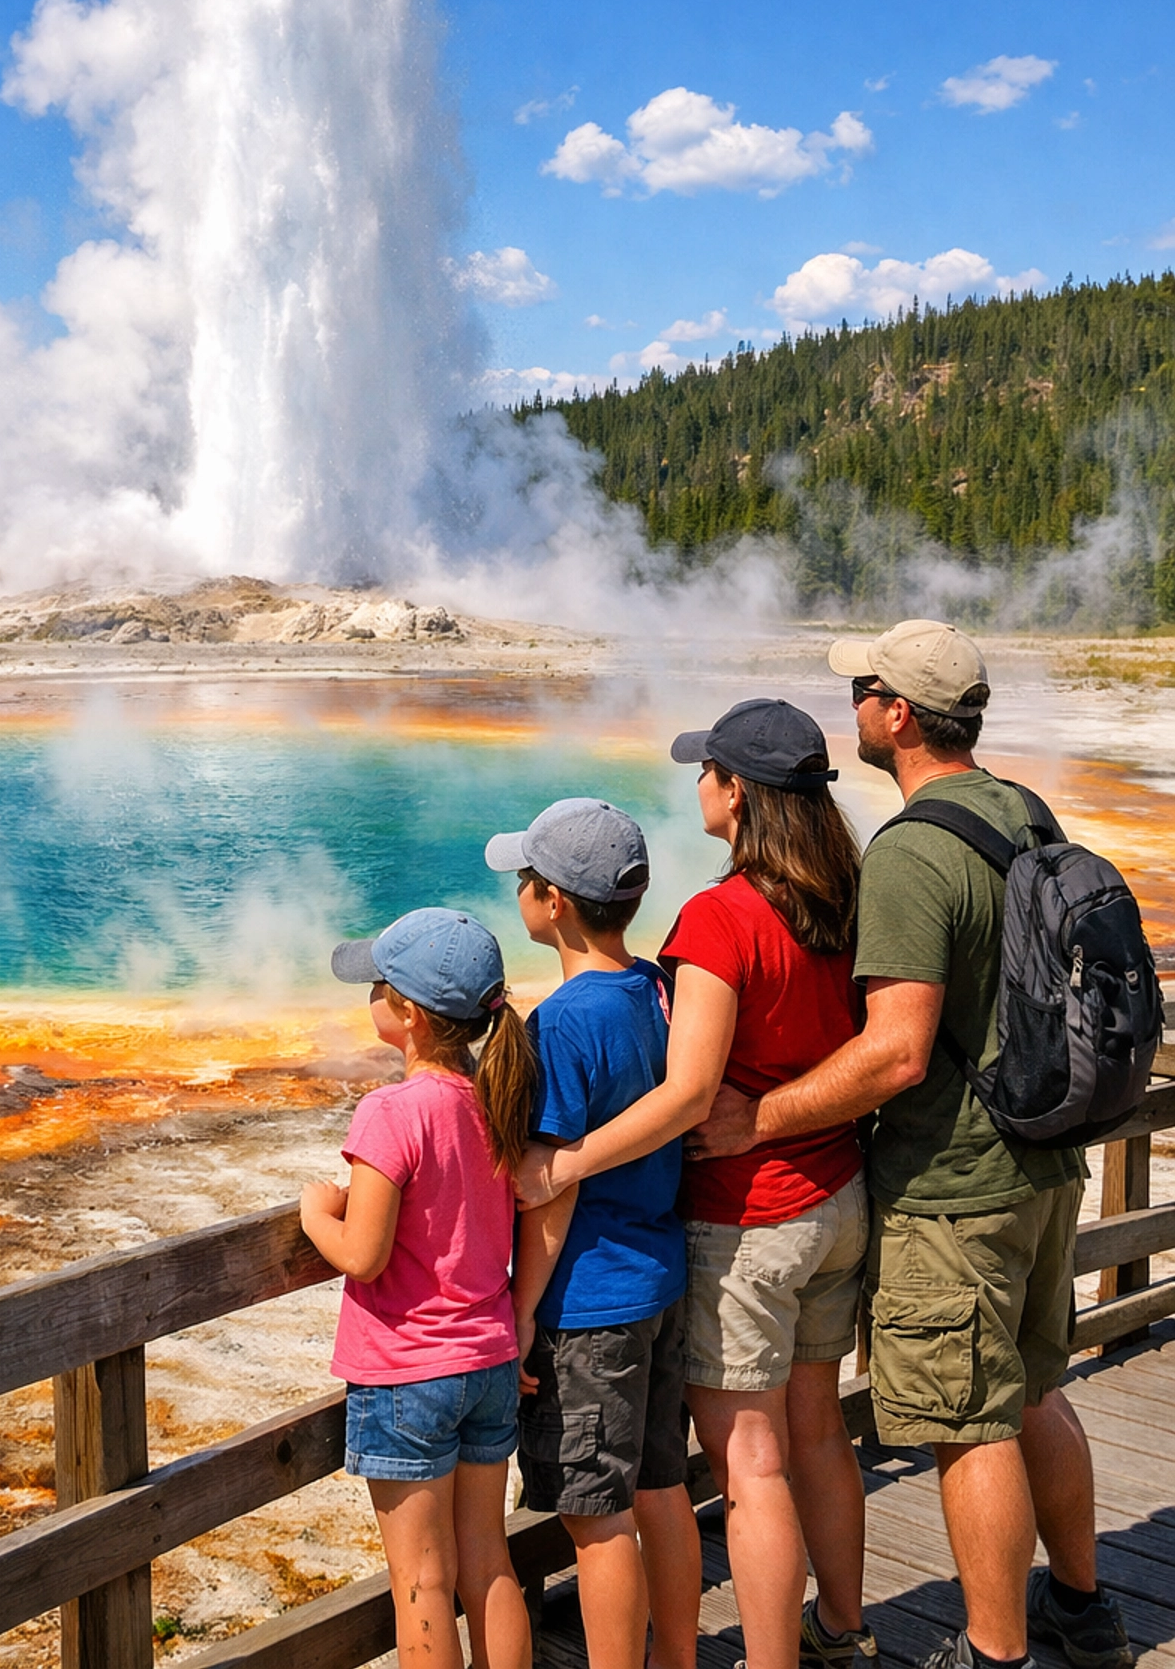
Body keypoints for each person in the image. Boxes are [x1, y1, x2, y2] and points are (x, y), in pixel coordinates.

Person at [689, 622, 1134, 1669]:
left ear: (898, 714)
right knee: (1037, 1391)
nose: (854, 704)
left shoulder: (914, 852)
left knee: (967, 1422)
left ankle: (994, 1653)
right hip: (1045, 1159)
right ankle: (1083, 1608)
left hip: (953, 1183)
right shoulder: (1023, 811)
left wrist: (758, 1119)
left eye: (865, 688)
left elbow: (894, 1055)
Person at [517, 706, 877, 1669]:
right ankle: (842, 1627)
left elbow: (686, 1094)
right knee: (817, 1433)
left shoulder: (722, 918)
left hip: (751, 1214)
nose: (699, 786)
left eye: (709, 770)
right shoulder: (845, 894)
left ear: (741, 793)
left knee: (750, 1464)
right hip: (838, 1192)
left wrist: (573, 1158)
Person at [486, 796, 701, 1669]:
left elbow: (552, 1189)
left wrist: (523, 1309)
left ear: (555, 903)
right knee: (661, 1490)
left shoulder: (564, 1023)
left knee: (595, 1520)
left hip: (591, 1302)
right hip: (660, 1278)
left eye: (526, 882)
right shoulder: (658, 988)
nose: (521, 896)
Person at [299, 906, 538, 1669]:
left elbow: (364, 1254)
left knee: (422, 1584)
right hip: (489, 1360)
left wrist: (313, 1212)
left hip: (409, 1375)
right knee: (488, 1564)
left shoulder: (390, 1112)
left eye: (375, 982)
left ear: (405, 1014)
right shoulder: (495, 1097)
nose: (366, 993)